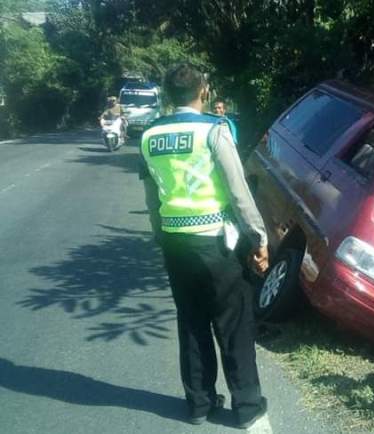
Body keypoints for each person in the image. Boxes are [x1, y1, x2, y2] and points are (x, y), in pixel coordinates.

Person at [138, 63, 269, 429]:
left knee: (191, 320)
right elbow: (237, 189)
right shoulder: (214, 129)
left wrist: (161, 235)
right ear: (204, 92)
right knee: (234, 323)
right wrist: (257, 237)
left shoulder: (149, 136)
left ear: (166, 95)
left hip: (175, 243)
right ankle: (246, 407)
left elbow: (151, 196)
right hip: (216, 243)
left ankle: (198, 403)